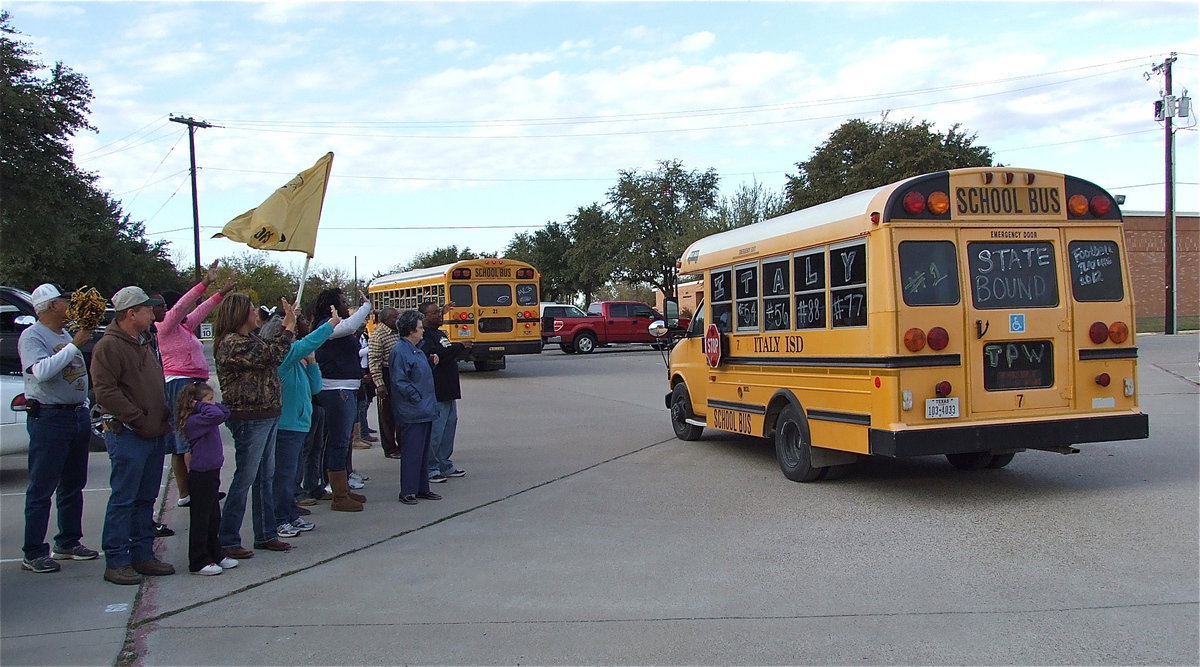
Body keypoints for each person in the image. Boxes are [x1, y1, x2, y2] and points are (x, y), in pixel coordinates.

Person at [91, 286, 175, 585]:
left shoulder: (143, 341)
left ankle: (142, 554)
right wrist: (137, 417)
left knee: (145, 498)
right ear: (131, 313)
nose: (153, 314)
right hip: (128, 433)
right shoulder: (109, 347)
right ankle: (116, 559)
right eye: (148, 309)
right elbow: (105, 391)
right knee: (124, 499)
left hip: (152, 433)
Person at [17, 284, 98, 573]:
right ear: (51, 306)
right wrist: (75, 345)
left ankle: (68, 540)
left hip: (75, 414)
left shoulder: (64, 333)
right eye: (64, 301)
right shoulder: (32, 336)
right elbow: (40, 371)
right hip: (49, 417)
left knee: (73, 483)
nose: (69, 305)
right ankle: (34, 551)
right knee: (42, 486)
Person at [213, 293, 295, 559]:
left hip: (267, 412)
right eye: (250, 309)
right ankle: (227, 538)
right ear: (238, 314)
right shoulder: (233, 343)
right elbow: (272, 355)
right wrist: (288, 327)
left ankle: (265, 532)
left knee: (264, 477)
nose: (255, 313)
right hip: (248, 416)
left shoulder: (251, 339)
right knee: (246, 478)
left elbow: (269, 351)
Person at [157, 260, 234, 509]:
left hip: (193, 381)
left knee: (188, 441)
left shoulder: (183, 328)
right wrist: (204, 284)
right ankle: (195, 490)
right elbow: (181, 308)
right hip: (181, 382)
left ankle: (191, 491)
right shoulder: (165, 327)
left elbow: (199, 312)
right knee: (188, 440)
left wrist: (221, 294)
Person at [274, 304, 340, 529]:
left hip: (300, 422)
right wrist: (330, 325)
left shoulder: (297, 361)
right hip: (287, 424)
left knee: (291, 473)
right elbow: (309, 342)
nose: (293, 340)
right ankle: (280, 519)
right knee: (284, 476)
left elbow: (315, 388)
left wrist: (312, 364)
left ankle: (290, 514)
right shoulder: (283, 358)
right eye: (290, 336)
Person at [310, 288, 373, 512]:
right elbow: (348, 326)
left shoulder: (338, 327)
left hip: (346, 387)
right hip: (336, 389)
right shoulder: (326, 325)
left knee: (343, 441)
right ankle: (338, 494)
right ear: (332, 306)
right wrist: (366, 308)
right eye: (344, 302)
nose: (348, 306)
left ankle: (342, 487)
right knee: (338, 441)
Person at [175, 382, 237, 576]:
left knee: (213, 516)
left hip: (212, 471)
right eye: (209, 400)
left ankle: (215, 552)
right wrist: (200, 405)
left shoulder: (206, 418)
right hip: (200, 474)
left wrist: (209, 403)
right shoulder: (194, 421)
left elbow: (225, 412)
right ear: (195, 404)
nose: (213, 403)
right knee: (201, 518)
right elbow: (217, 414)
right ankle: (198, 559)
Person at [388, 309, 441, 505]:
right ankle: (408, 490)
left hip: (424, 408)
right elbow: (400, 381)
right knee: (412, 451)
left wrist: (431, 363)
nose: (422, 332)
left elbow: (419, 373)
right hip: (413, 410)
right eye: (419, 328)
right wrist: (416, 397)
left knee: (423, 451)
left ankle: (422, 487)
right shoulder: (400, 351)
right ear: (410, 330)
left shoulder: (416, 350)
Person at [418, 301, 471, 483]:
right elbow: (438, 354)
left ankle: (444, 464)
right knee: (436, 431)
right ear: (423, 316)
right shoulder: (423, 336)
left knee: (449, 428)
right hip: (436, 391)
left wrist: (457, 349)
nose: (439, 315)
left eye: (439, 312)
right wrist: (459, 346)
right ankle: (431, 468)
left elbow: (447, 352)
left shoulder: (441, 333)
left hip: (450, 390)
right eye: (434, 313)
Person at [367, 307, 401, 459]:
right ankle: (390, 448)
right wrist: (379, 384)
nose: (398, 320)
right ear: (386, 320)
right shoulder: (378, 336)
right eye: (395, 317)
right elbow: (374, 361)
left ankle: (402, 444)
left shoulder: (400, 332)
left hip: (399, 374)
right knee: (387, 415)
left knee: (401, 413)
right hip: (386, 374)